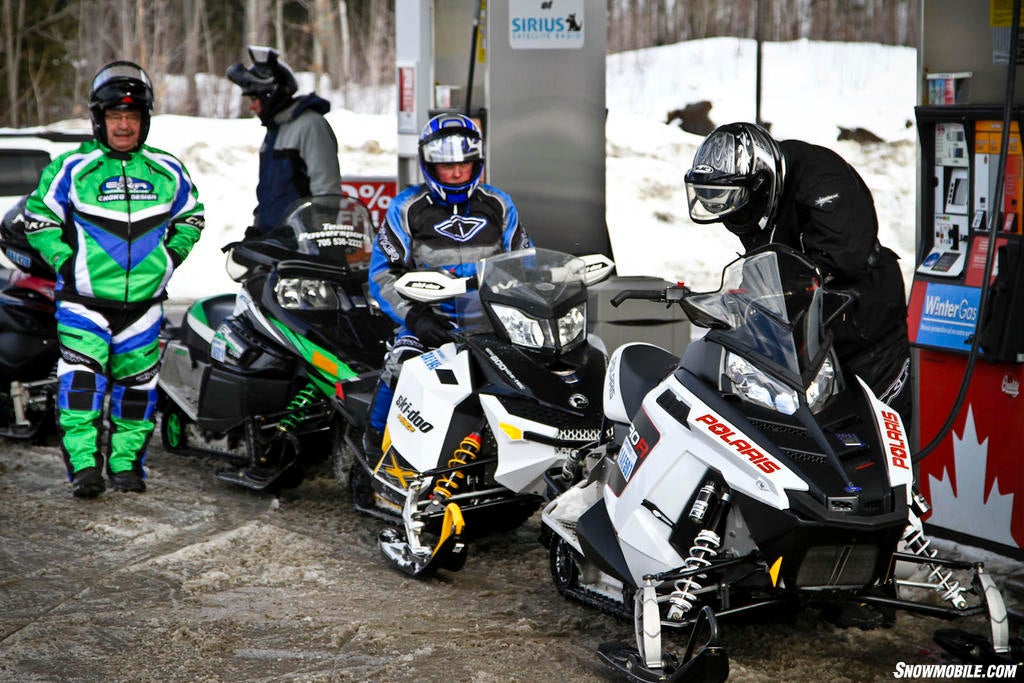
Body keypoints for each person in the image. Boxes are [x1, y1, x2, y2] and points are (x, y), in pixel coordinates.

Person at [21, 61, 204, 498]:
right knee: (81, 387)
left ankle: (126, 467)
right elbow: (38, 217)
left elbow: (192, 218)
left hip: (144, 305)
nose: (124, 126)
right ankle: (84, 468)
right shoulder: (73, 167)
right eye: (115, 117)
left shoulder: (167, 170)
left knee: (138, 393)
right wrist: (65, 262)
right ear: (98, 119)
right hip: (83, 301)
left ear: (145, 121)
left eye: (132, 117)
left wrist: (169, 259)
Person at [683, 121, 911, 426]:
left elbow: (841, 261)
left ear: (762, 184)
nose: (733, 218)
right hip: (808, 335)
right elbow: (767, 265)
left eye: (737, 207)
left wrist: (784, 294)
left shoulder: (825, 183)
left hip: (864, 323)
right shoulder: (755, 203)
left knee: (873, 426)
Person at [365, 113, 532, 448]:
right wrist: (415, 317)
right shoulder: (406, 208)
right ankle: (373, 443)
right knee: (401, 365)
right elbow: (382, 276)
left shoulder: (498, 204)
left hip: (494, 325)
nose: (457, 172)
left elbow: (524, 265)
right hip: (431, 323)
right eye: (447, 165)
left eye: (465, 164)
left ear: (477, 163)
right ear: (429, 165)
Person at [226, 46, 341, 238]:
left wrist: (318, 241)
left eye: (255, 98)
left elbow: (326, 193)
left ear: (272, 94)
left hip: (303, 245)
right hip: (275, 242)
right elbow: (271, 192)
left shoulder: (310, 126)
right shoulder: (275, 131)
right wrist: (258, 227)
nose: (252, 106)